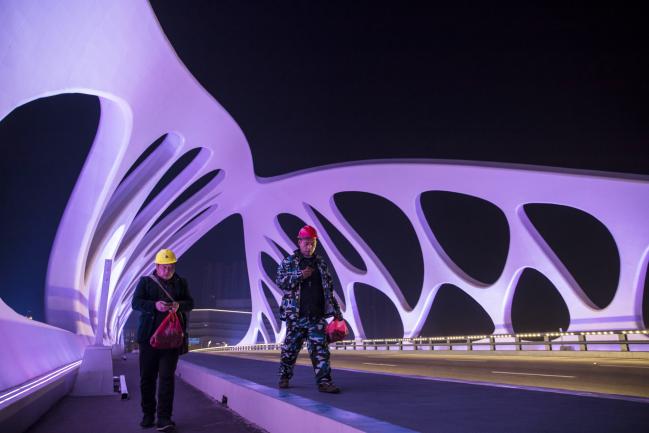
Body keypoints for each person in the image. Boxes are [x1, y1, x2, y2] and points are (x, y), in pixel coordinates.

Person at [132, 248, 194, 431]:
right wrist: (154, 305)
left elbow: (190, 303)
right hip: (149, 339)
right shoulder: (145, 282)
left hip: (171, 340)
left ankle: (164, 418)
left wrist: (178, 305)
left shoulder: (181, 283)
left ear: (174, 266)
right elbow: (135, 303)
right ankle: (148, 414)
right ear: (156, 266)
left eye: (170, 267)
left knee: (167, 378)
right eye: (163, 267)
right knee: (147, 378)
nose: (167, 271)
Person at [277, 225, 343, 393]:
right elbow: (280, 281)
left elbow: (329, 289)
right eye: (306, 243)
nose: (309, 246)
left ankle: (324, 382)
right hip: (296, 316)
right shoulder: (289, 262)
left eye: (312, 243)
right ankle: (284, 376)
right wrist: (300, 275)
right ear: (299, 242)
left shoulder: (321, 264)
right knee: (290, 350)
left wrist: (336, 312)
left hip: (316, 316)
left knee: (320, 351)